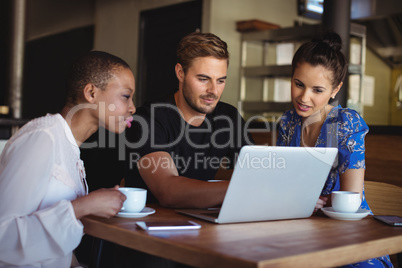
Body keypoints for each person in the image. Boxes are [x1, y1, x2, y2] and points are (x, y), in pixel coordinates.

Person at [0, 51, 136, 267]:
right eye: (126, 96)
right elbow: (3, 238)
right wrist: (84, 206)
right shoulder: (42, 138)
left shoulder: (70, 146)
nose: (132, 108)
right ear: (91, 93)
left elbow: (57, 247)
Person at [276, 31, 393, 267]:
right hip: (300, 234)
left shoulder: (345, 124)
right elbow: (280, 187)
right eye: (298, 84)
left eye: (317, 90)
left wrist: (302, 201)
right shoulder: (288, 122)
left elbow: (351, 199)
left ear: (335, 89)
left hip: (349, 238)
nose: (304, 97)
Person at [124, 31, 253, 210]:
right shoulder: (148, 119)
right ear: (180, 73)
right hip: (148, 228)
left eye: (221, 80)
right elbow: (168, 191)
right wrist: (241, 189)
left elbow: (256, 174)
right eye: (203, 79)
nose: (213, 91)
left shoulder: (228, 117)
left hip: (201, 226)